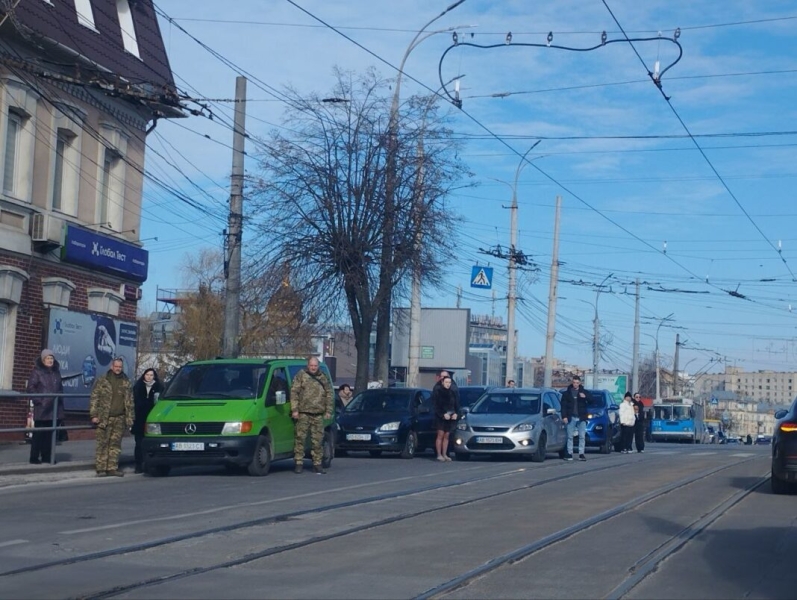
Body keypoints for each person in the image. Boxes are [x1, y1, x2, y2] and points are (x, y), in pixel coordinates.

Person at [90, 357, 133, 477]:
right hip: (104, 417)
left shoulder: (126, 381)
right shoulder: (103, 380)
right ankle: (101, 468)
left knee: (115, 444)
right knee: (102, 443)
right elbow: (94, 398)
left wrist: (130, 418)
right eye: (116, 366)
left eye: (120, 367)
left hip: (119, 418)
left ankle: (112, 468)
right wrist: (94, 415)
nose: (118, 369)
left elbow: (130, 401)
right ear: (111, 367)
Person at [291, 357, 333, 474]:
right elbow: (294, 392)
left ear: (318, 366)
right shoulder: (301, 375)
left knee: (318, 440)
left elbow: (329, 394)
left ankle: (317, 464)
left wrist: (328, 411)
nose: (313, 368)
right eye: (311, 365)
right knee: (300, 439)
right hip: (303, 412)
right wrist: (295, 410)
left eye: (315, 366)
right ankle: (299, 463)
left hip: (318, 413)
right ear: (308, 365)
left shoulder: (323, 377)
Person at [26, 349, 64, 465]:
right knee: (39, 434)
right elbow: (31, 388)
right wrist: (39, 401)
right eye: (47, 358)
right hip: (42, 408)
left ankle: (47, 456)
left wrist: (59, 401)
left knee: (50, 435)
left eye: (51, 358)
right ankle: (34, 457)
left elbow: (60, 388)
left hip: (54, 408)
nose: (50, 360)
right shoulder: (37, 372)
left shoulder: (56, 372)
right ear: (43, 360)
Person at [131, 368, 163, 474]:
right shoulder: (138, 386)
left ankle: (150, 464)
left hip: (153, 419)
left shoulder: (159, 387)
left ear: (154, 376)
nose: (149, 377)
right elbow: (134, 402)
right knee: (139, 444)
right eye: (147, 375)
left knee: (151, 444)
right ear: (144, 375)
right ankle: (138, 465)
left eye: (151, 375)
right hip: (139, 419)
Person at [561, 375, 590, 461]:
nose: (575, 384)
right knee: (570, 436)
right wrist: (564, 416)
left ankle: (581, 454)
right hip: (571, 417)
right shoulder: (567, 393)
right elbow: (563, 406)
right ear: (572, 383)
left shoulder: (584, 392)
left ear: (579, 383)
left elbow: (592, 400)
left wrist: (585, 397)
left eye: (577, 383)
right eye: (574, 382)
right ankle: (569, 453)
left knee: (582, 436)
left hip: (581, 417)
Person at [432, 375, 460, 462]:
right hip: (440, 418)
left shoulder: (452, 393)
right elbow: (436, 406)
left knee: (447, 436)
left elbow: (456, 405)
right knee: (440, 435)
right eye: (446, 382)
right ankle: (439, 454)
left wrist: (456, 414)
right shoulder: (438, 392)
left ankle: (445, 454)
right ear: (442, 382)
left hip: (450, 417)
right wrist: (442, 414)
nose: (448, 384)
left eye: (449, 382)